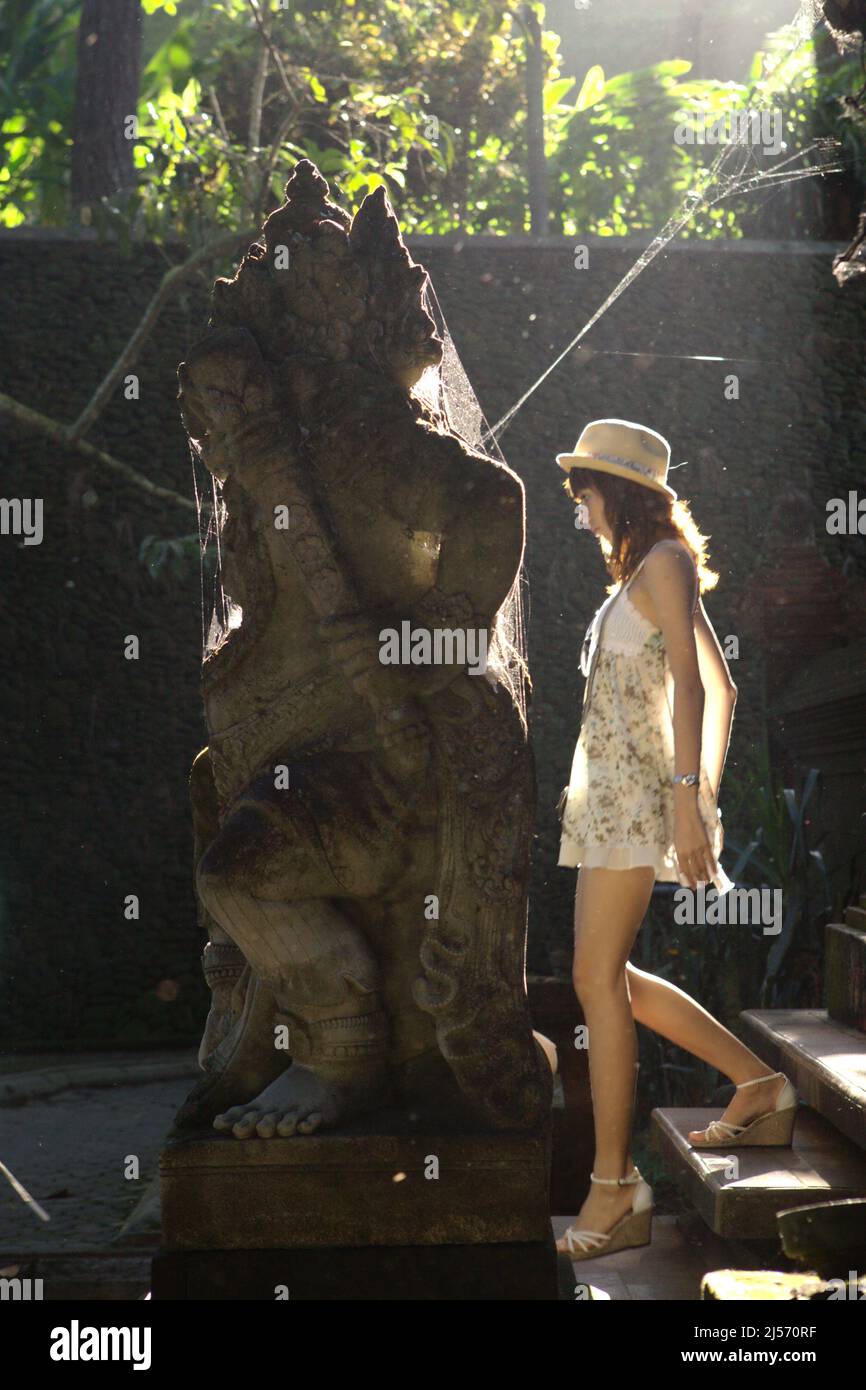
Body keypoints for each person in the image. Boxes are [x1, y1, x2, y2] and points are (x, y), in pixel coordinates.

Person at [552, 419, 797, 1263]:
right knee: (606, 976)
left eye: (583, 488)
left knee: (593, 978)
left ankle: (616, 1186)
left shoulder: (662, 562)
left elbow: (694, 685)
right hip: (614, 802)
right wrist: (695, 794)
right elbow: (722, 686)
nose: (577, 504)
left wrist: (690, 802)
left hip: (634, 803)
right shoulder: (646, 573)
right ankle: (760, 1085)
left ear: (616, 490)